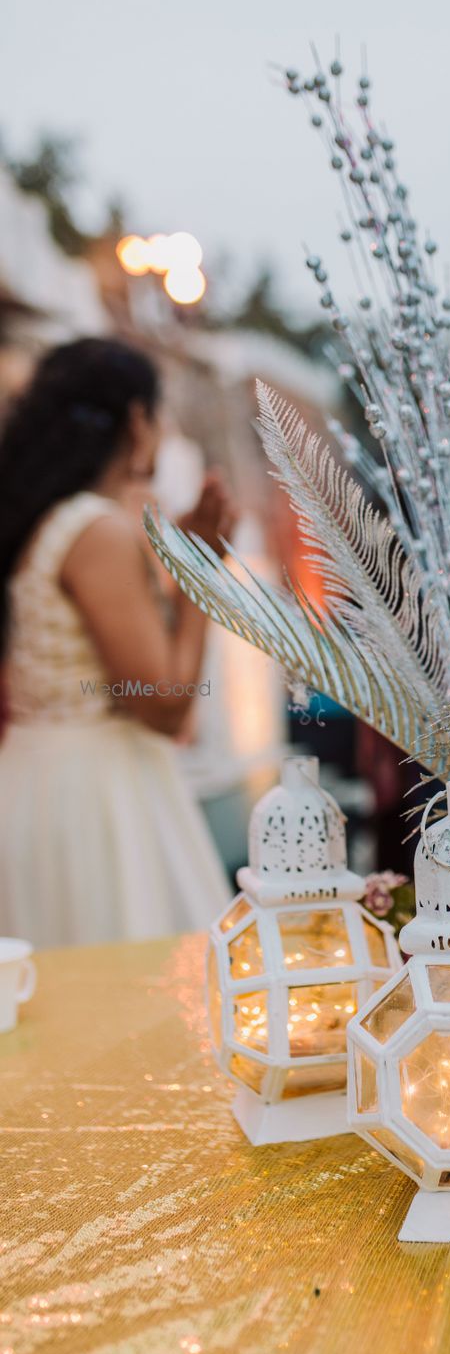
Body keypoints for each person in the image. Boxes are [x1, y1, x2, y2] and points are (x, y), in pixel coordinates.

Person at [0, 338, 234, 947]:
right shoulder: (95, 530)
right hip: (96, 798)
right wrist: (199, 570)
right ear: (137, 420)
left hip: (36, 774)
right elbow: (164, 702)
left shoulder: (44, 519)